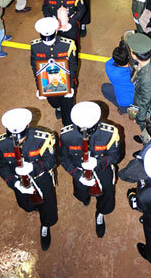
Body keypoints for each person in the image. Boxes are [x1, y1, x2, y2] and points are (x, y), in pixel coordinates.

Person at [0, 108, 57, 250]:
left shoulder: (43, 138)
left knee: (47, 205)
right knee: (26, 204)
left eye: (21, 136)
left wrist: (33, 167)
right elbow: (0, 166)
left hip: (40, 178)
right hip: (20, 181)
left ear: (28, 126)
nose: (18, 140)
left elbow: (50, 162)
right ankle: (32, 206)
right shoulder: (1, 144)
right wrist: (14, 182)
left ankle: (45, 225)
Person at [59, 101, 121, 238]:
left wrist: (98, 163)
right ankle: (85, 197)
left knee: (106, 193)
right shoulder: (66, 135)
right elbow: (63, 158)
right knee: (81, 192)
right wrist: (77, 175)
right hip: (79, 170)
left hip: (102, 169)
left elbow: (115, 155)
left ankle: (100, 212)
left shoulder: (109, 133)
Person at [31, 17, 77, 126]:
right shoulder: (35, 46)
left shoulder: (67, 45)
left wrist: (70, 86)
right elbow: (35, 66)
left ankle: (68, 126)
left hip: (66, 82)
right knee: (53, 102)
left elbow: (73, 65)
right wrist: (39, 87)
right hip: (47, 83)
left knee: (67, 109)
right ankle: (58, 107)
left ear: (56, 31)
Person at [101, 41, 134, 114]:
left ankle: (124, 109)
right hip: (138, 99)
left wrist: (121, 51)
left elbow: (113, 59)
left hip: (124, 101)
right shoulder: (135, 71)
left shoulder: (109, 68)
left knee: (104, 88)